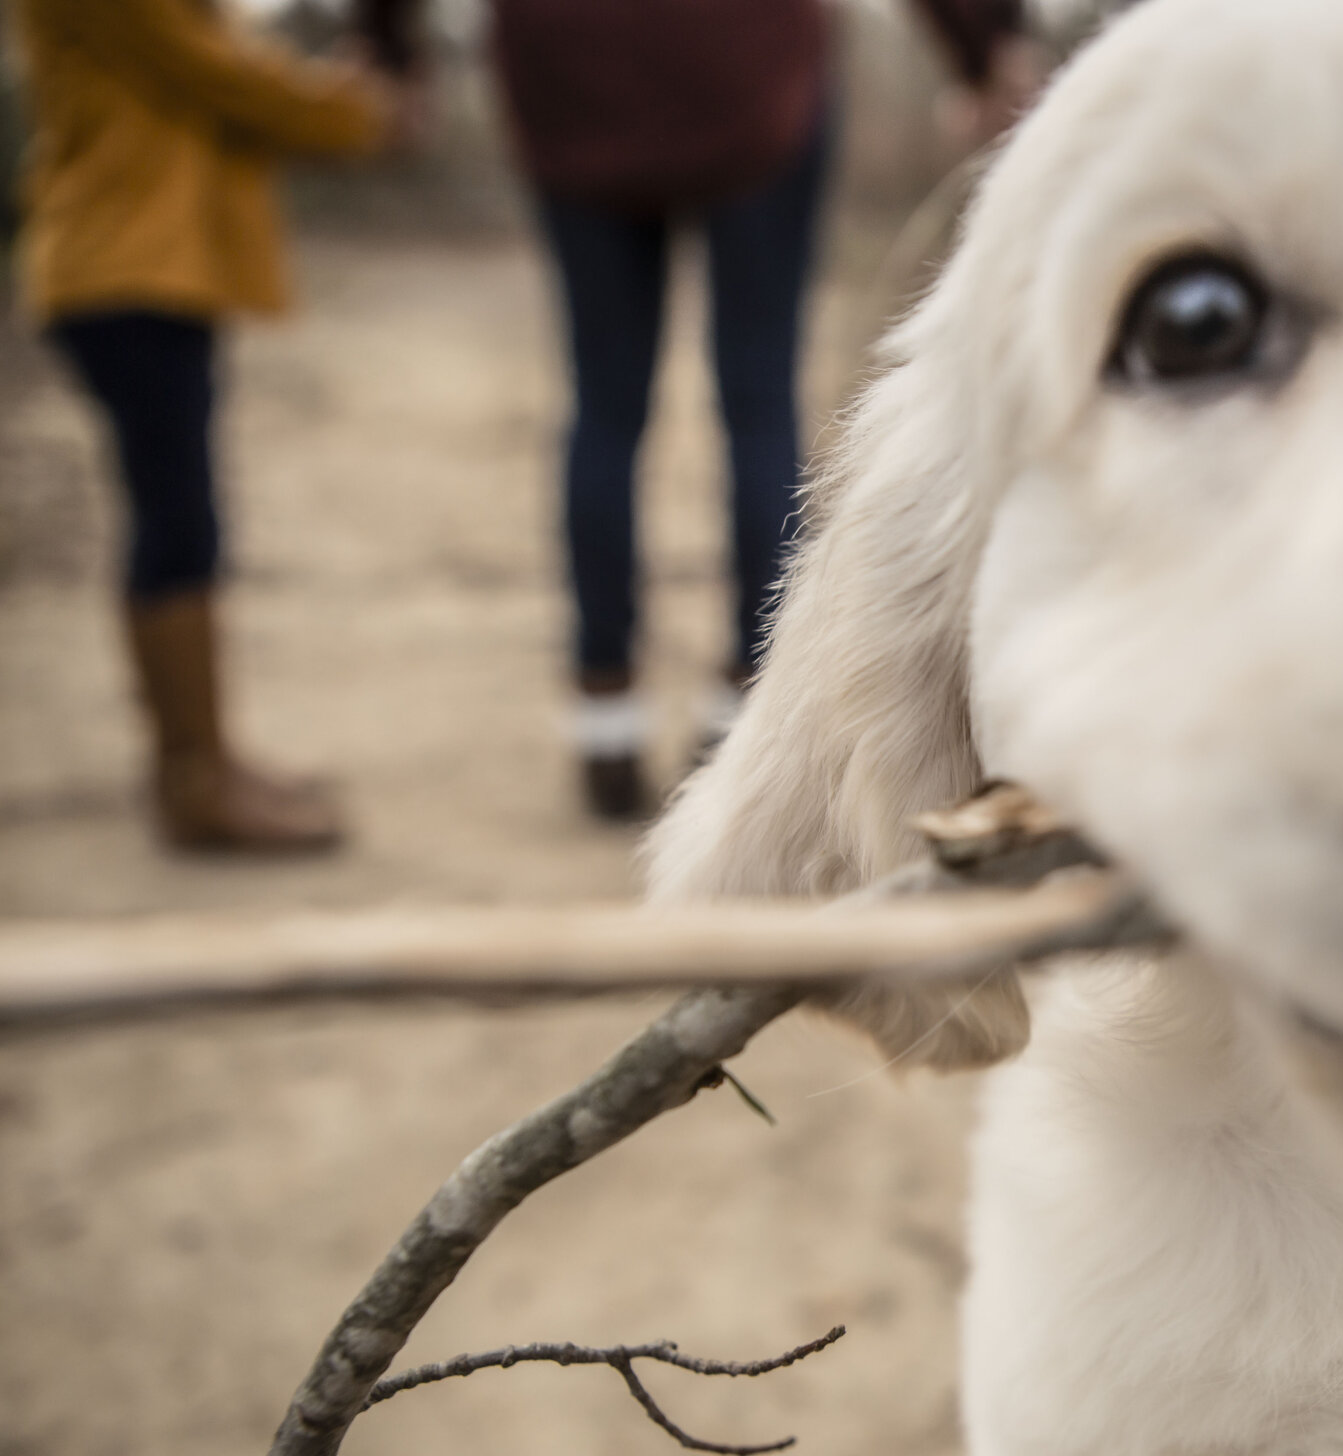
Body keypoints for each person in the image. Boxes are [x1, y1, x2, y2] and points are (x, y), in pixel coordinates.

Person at [359, 0, 1042, 823]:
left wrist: (390, 52)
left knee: (604, 403)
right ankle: (745, 710)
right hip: (746, 69)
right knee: (757, 400)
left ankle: (602, 713)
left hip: (570, 76)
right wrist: (978, 51)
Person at [12, 0, 400, 852]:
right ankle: (195, 781)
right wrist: (345, 109)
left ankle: (201, 758)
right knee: (177, 519)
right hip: (123, 264)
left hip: (143, 264)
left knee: (181, 515)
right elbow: (214, 69)